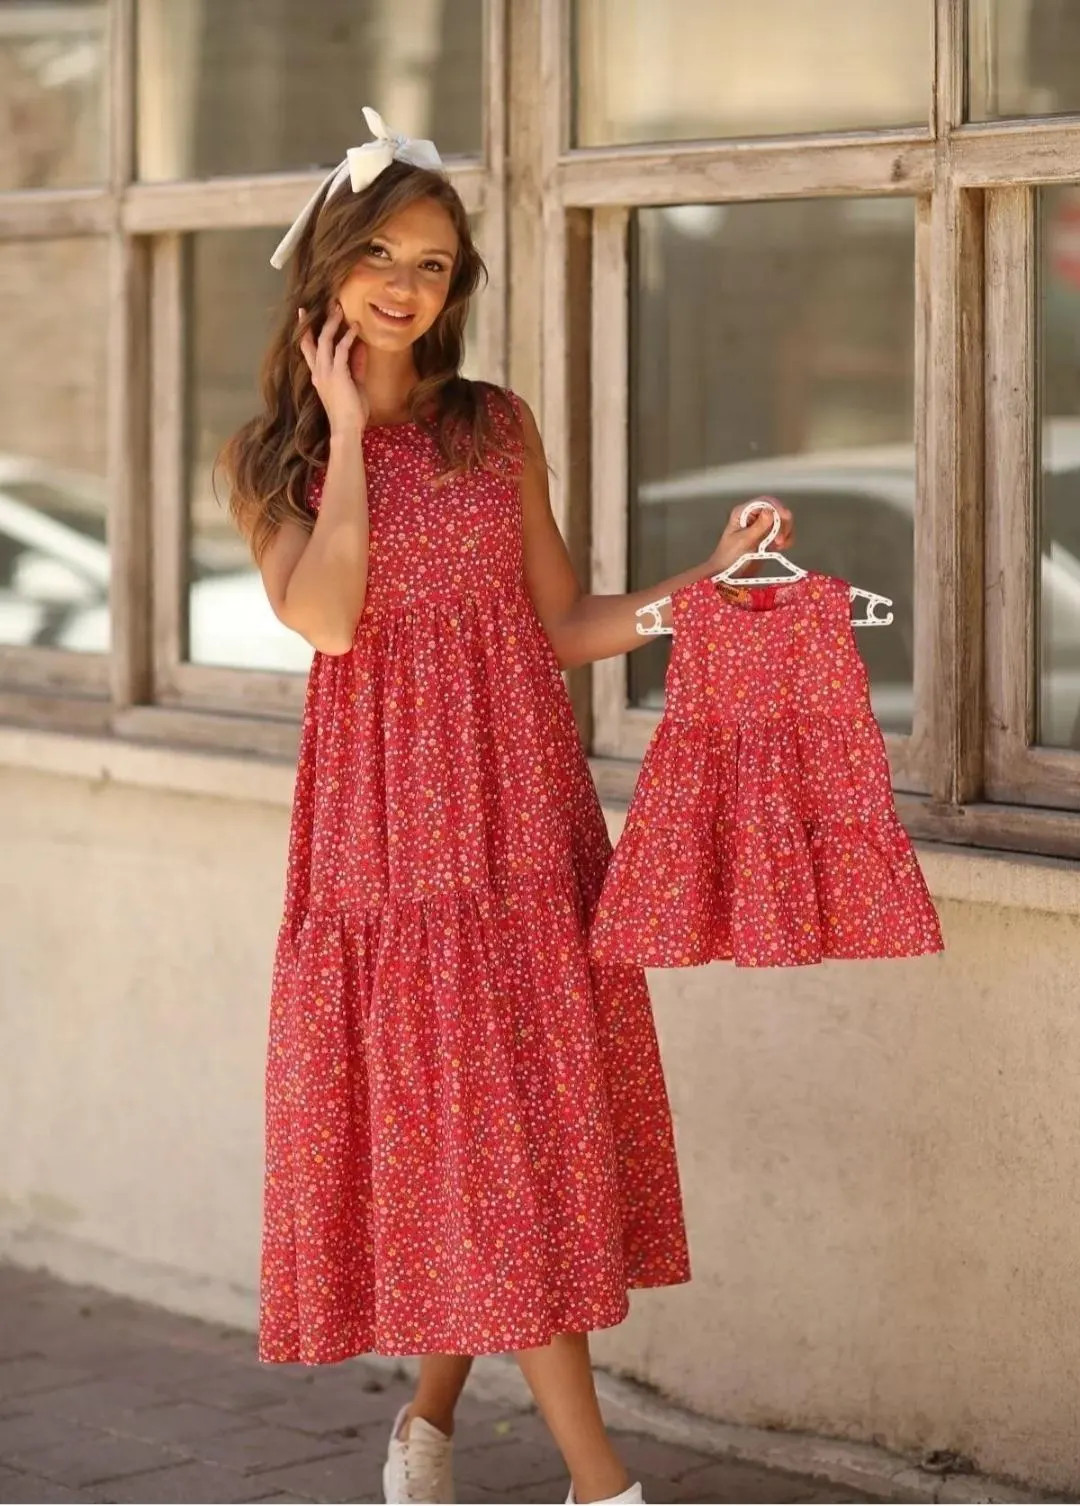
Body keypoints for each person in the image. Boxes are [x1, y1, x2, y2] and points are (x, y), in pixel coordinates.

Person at [219, 108, 793, 1506]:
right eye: (381, 255)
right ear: (329, 264)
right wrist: (346, 432)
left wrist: (704, 587)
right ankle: (604, 1486)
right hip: (390, 842)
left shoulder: (496, 425)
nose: (405, 285)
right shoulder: (273, 459)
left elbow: (562, 622)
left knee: (505, 1137)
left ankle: (427, 1426)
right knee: (486, 1143)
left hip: (522, 818)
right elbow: (330, 619)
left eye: (433, 263)